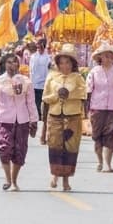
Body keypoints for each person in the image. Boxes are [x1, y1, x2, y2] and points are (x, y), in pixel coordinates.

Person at [0, 53, 38, 191]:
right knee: (4, 149)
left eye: (15, 62)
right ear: (4, 64)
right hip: (3, 120)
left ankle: (14, 181)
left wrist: (34, 121)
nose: (12, 65)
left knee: (20, 151)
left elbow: (31, 103)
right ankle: (8, 179)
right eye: (9, 62)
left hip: (22, 120)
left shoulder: (26, 81)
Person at [41, 44, 87, 190]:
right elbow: (45, 97)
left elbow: (83, 95)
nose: (64, 65)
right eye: (62, 62)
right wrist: (56, 95)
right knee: (55, 146)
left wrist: (69, 95)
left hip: (72, 116)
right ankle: (55, 175)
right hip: (55, 115)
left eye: (67, 62)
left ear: (72, 64)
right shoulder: (51, 77)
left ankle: (66, 180)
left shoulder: (78, 78)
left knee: (70, 148)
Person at [86, 42, 113, 173]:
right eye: (106, 56)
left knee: (111, 137)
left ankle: (107, 164)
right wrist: (85, 111)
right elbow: (88, 91)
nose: (109, 59)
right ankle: (100, 161)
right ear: (100, 57)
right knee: (97, 137)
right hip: (97, 108)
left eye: (111, 56)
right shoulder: (94, 72)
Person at [29, 40, 52, 117]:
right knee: (36, 103)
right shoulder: (33, 57)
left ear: (44, 46)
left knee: (45, 103)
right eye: (37, 47)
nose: (39, 48)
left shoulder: (48, 58)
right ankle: (37, 117)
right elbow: (31, 71)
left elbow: (49, 71)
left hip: (44, 85)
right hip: (35, 84)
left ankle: (44, 117)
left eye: (40, 46)